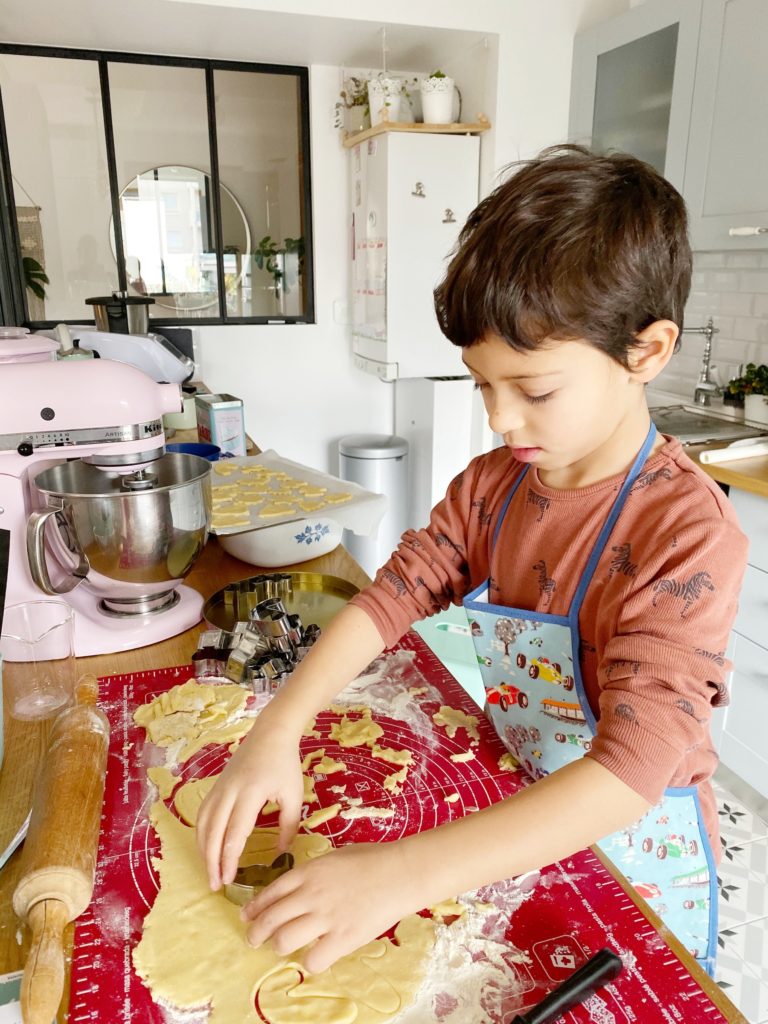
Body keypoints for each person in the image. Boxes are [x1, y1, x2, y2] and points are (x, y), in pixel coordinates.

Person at [197, 145, 748, 978]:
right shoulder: (496, 488)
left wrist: (395, 877)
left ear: (647, 351)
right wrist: (279, 724)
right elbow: (393, 595)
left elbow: (629, 772)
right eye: (481, 384)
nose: (498, 419)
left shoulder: (685, 533)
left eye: (533, 389)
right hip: (511, 816)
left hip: (637, 858)